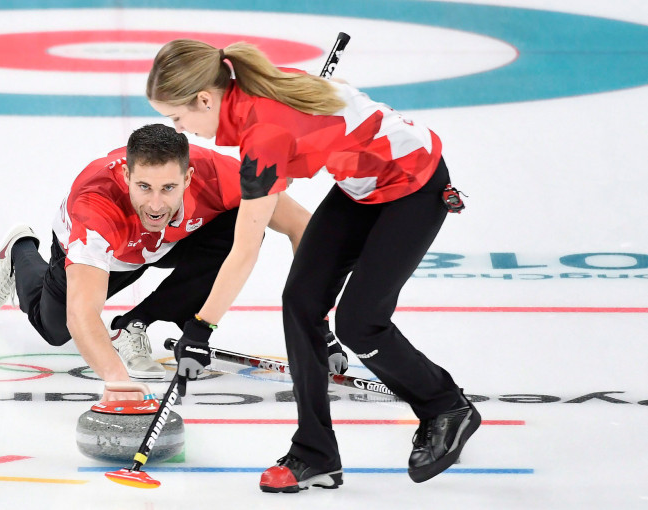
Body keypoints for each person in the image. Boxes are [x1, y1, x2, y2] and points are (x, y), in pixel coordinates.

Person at [146, 40, 480, 490]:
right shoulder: (251, 89)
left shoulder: (263, 136)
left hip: (415, 187)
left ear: (206, 99)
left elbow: (244, 249)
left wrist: (203, 327)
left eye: (178, 118)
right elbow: (336, 95)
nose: (180, 130)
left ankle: (446, 406)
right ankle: (314, 452)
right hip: (360, 189)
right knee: (301, 301)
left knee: (360, 324)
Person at [0, 123, 346, 402]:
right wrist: (119, 383)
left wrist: (318, 323)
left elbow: (304, 230)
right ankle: (20, 252)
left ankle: (135, 322)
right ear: (127, 176)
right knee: (55, 330)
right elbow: (82, 317)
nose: (155, 204)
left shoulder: (220, 176)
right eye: (144, 187)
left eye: (168, 188)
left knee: (247, 227)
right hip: (110, 256)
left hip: (171, 242)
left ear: (188, 177)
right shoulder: (95, 211)